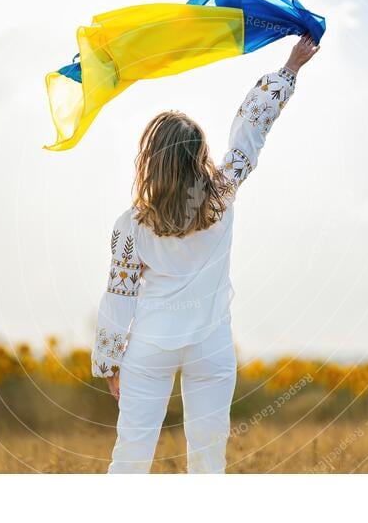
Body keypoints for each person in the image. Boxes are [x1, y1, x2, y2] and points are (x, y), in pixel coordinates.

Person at [91, 34, 320, 473]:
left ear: (150, 161)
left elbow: (119, 299)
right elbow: (250, 131)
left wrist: (109, 363)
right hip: (210, 345)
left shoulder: (131, 225)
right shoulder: (223, 196)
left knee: (130, 458)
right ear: (199, 156)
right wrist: (289, 69)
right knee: (207, 460)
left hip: (149, 349)